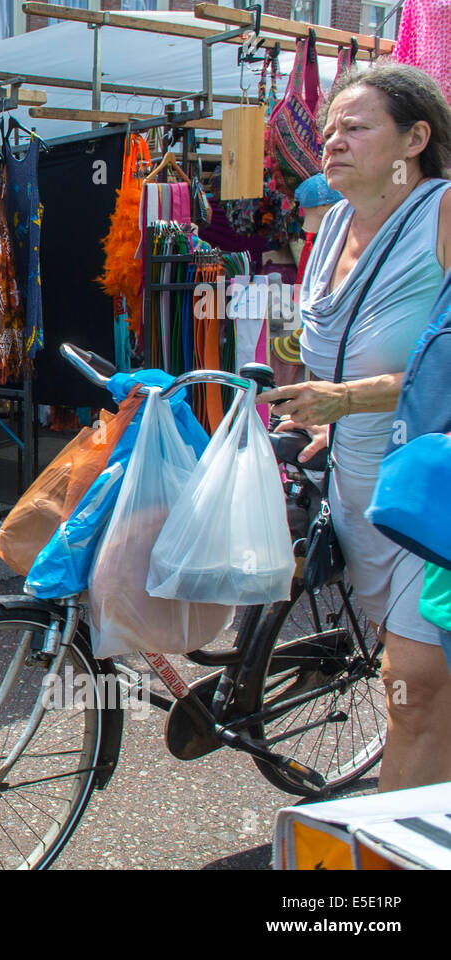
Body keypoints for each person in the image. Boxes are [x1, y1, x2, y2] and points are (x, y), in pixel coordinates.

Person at [262, 62, 451, 791]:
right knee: (415, 690)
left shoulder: (441, 214)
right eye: (331, 128)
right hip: (355, 488)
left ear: (415, 139)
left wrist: (348, 398)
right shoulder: (332, 224)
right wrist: (334, 424)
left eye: (357, 127)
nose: (332, 141)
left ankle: (382, 863)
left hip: (428, 494)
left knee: (416, 690)